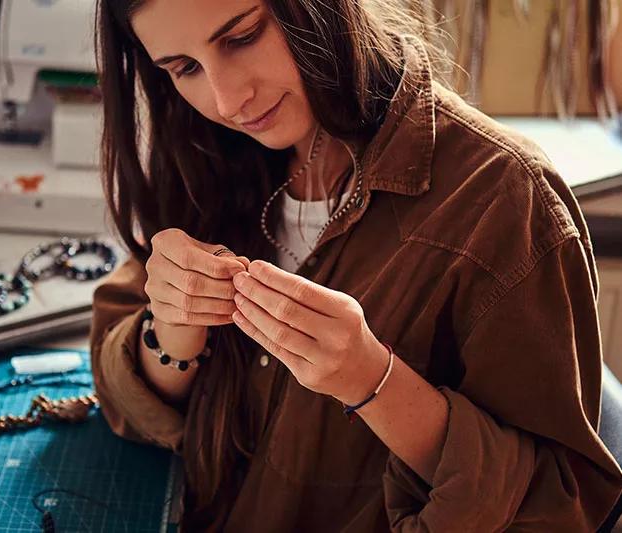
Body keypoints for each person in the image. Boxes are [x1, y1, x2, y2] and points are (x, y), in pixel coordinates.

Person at [89, 1, 622, 531]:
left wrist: (373, 380)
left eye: (244, 36)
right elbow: (122, 397)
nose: (228, 100)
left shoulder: (503, 201)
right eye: (185, 68)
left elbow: (560, 507)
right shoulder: (204, 153)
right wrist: (172, 334)